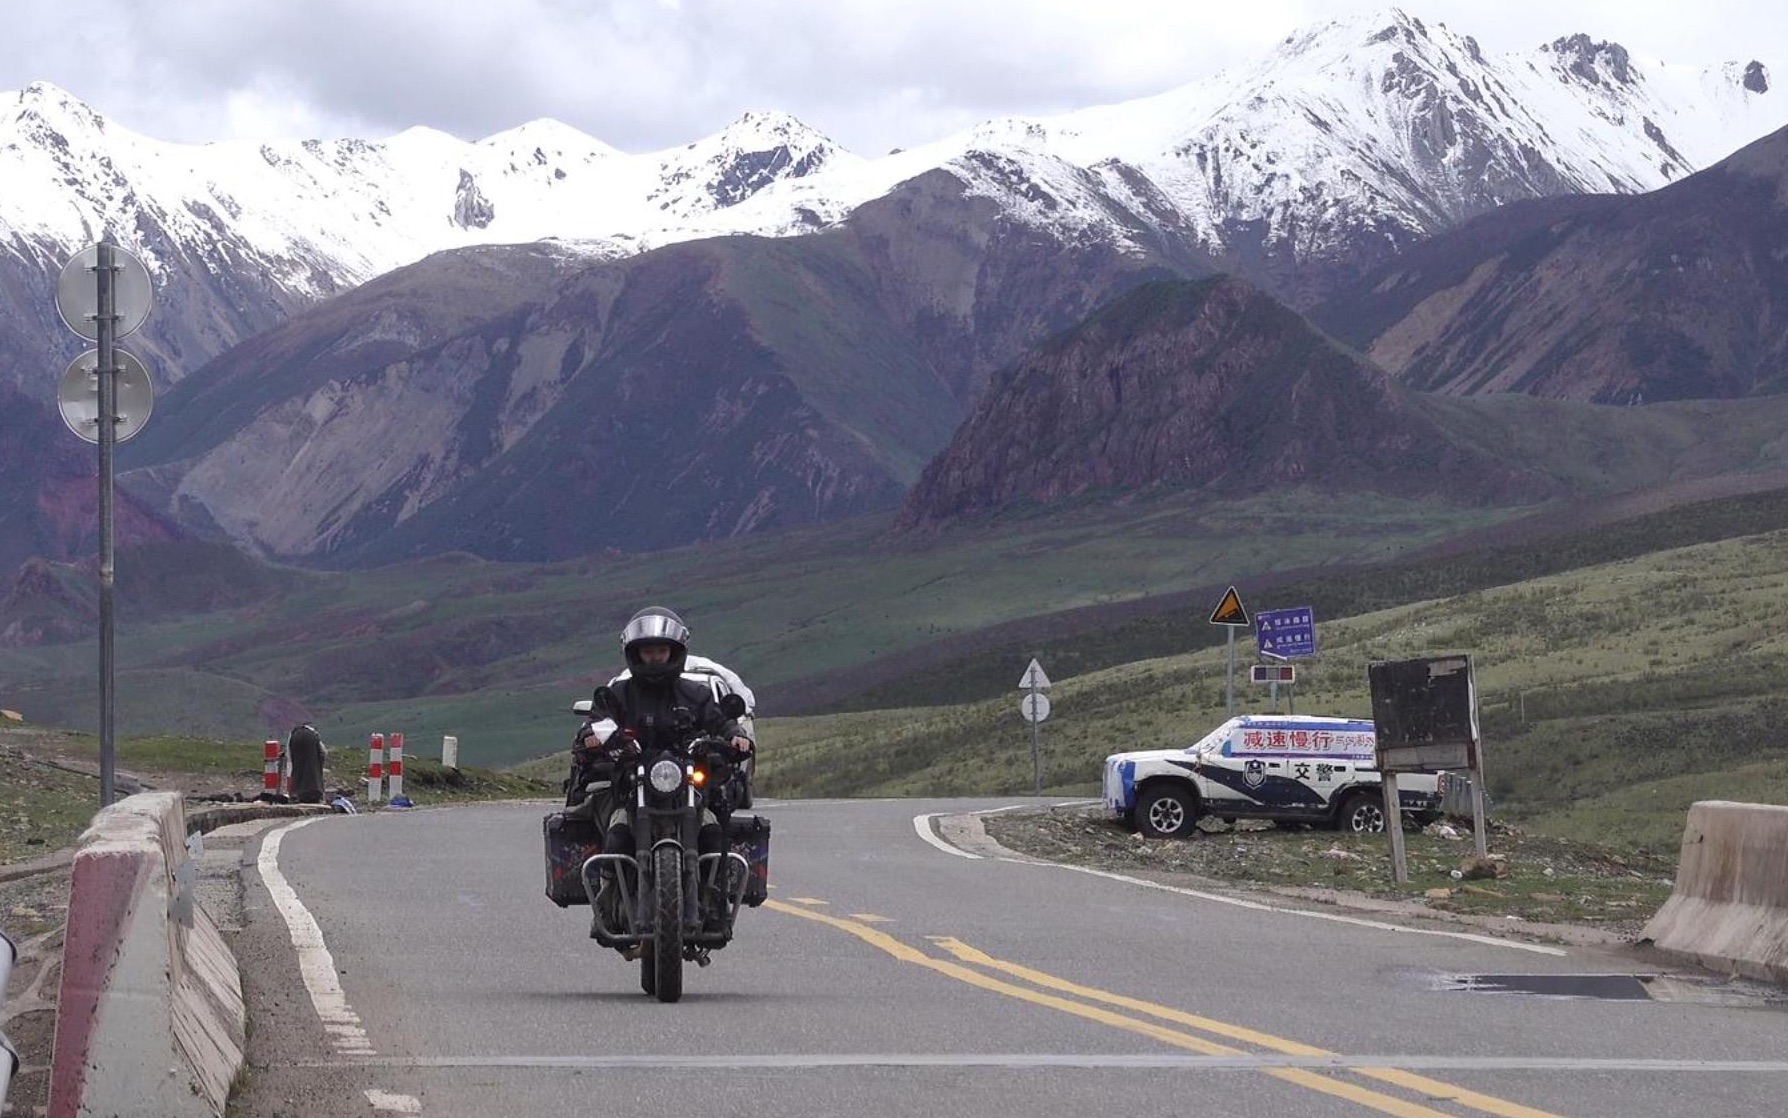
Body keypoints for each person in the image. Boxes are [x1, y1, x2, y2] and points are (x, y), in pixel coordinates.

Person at [582, 606, 752, 937]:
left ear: (675, 652)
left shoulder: (697, 694)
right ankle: (607, 903)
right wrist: (598, 737)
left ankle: (715, 904)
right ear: (636, 653)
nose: (656, 658)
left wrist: (735, 735)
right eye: (648, 651)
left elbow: (720, 720)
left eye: (661, 650)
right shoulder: (619, 694)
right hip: (632, 786)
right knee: (617, 834)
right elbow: (598, 721)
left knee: (713, 833)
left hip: (688, 784)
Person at [283, 723, 328, 804]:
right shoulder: (313, 733)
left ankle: (297, 793)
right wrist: (320, 764)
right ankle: (315, 793)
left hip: (295, 746)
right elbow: (323, 751)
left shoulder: (293, 734)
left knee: (298, 771)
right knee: (312, 771)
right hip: (315, 783)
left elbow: (289, 755)